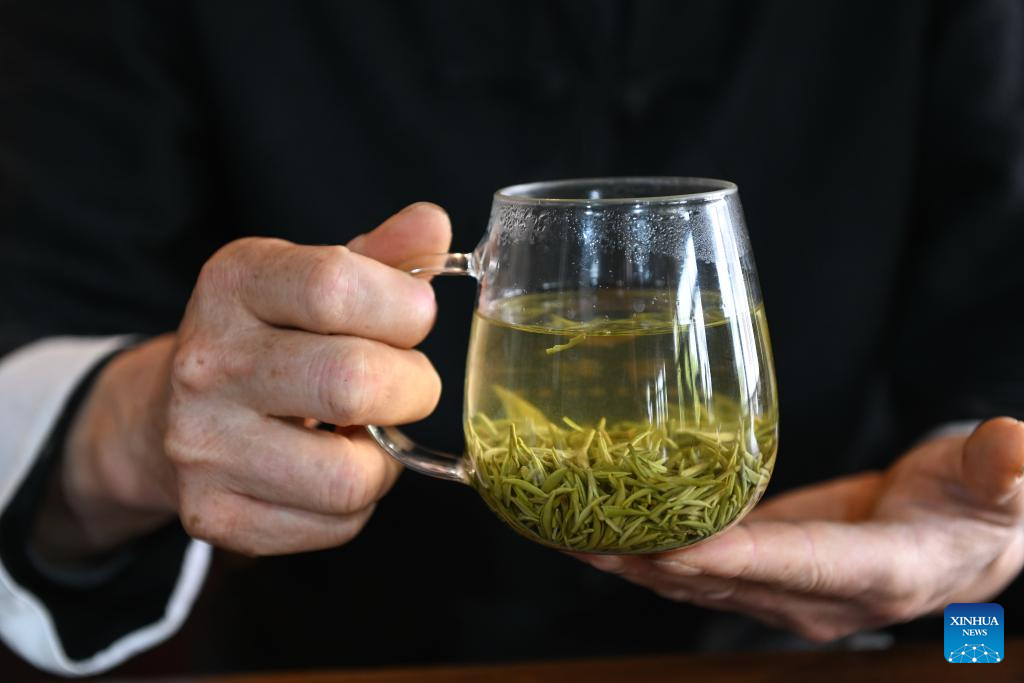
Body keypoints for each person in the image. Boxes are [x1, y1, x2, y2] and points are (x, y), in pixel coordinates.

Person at [1, 0, 1023, 677]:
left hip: (836, 649)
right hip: (347, 654)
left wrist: (989, 537)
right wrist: (126, 429)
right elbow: (36, 301)